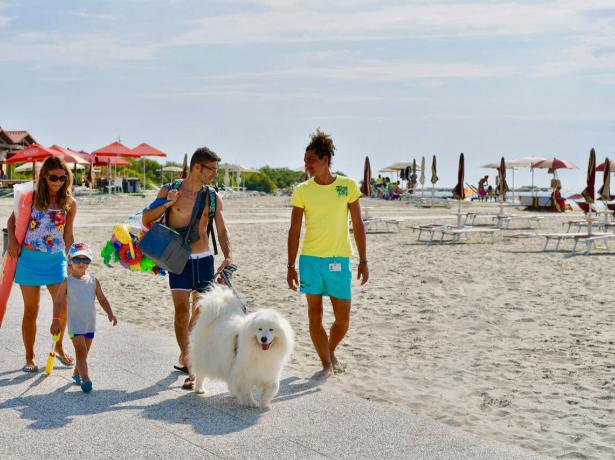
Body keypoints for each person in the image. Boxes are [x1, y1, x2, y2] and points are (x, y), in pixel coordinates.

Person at [142, 146, 232, 388]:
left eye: (216, 169)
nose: (214, 173)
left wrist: (228, 255)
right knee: (181, 311)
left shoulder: (213, 197)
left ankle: (187, 352)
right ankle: (191, 364)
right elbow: (146, 218)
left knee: (201, 310)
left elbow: (222, 229)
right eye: (211, 169)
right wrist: (167, 204)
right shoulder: (170, 190)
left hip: (203, 259)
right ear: (196, 168)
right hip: (177, 259)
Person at [287, 129, 369, 379]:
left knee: (343, 319)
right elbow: (294, 228)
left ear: (325, 160)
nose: (307, 165)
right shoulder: (302, 190)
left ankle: (329, 349)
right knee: (315, 315)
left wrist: (364, 260)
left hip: (339, 259)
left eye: (311, 159)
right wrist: (290, 265)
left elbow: (358, 223)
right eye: (305, 160)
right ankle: (326, 364)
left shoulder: (347, 186)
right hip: (310, 260)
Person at [7, 156, 77, 373]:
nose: (58, 182)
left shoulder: (69, 203)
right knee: (31, 310)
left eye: (62, 178)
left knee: (63, 308)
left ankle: (58, 347)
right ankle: (30, 356)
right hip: (29, 260)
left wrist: (74, 259)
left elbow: (68, 235)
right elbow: (12, 220)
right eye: (53, 177)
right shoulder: (30, 197)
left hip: (56, 261)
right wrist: (11, 240)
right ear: (44, 176)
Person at [50, 243, 116, 393]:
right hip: (75, 325)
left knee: (84, 352)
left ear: (89, 262)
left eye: (85, 260)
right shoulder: (67, 282)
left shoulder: (93, 281)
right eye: (77, 259)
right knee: (80, 351)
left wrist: (110, 313)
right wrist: (55, 320)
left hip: (89, 324)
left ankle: (76, 373)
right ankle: (86, 379)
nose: (81, 263)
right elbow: (58, 301)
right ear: (70, 262)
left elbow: (102, 299)